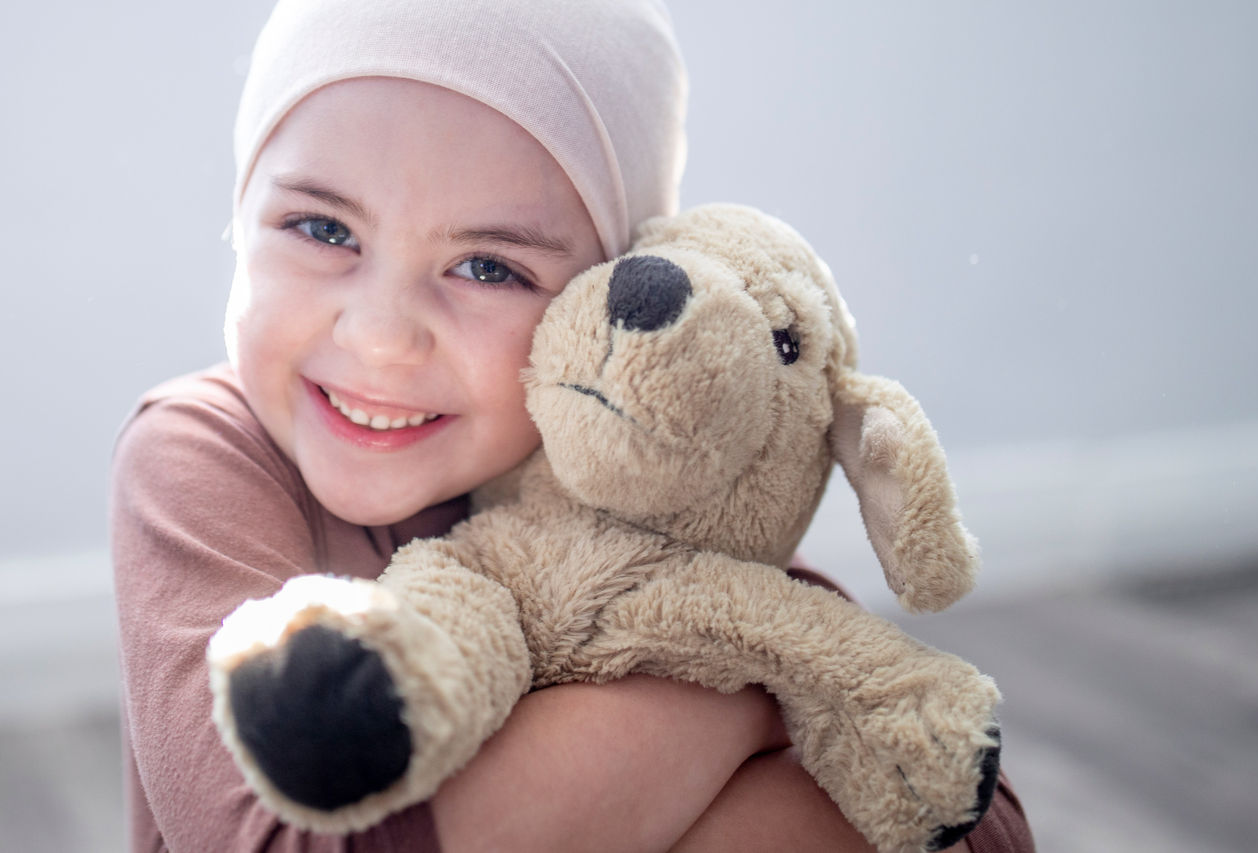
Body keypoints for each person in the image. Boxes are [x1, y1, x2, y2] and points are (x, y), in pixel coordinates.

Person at [110, 1, 1034, 850]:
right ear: (239, 217)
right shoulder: (197, 455)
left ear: (600, 296)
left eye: (488, 268)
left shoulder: (635, 480)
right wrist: (744, 693)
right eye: (322, 228)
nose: (382, 337)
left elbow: (970, 816)